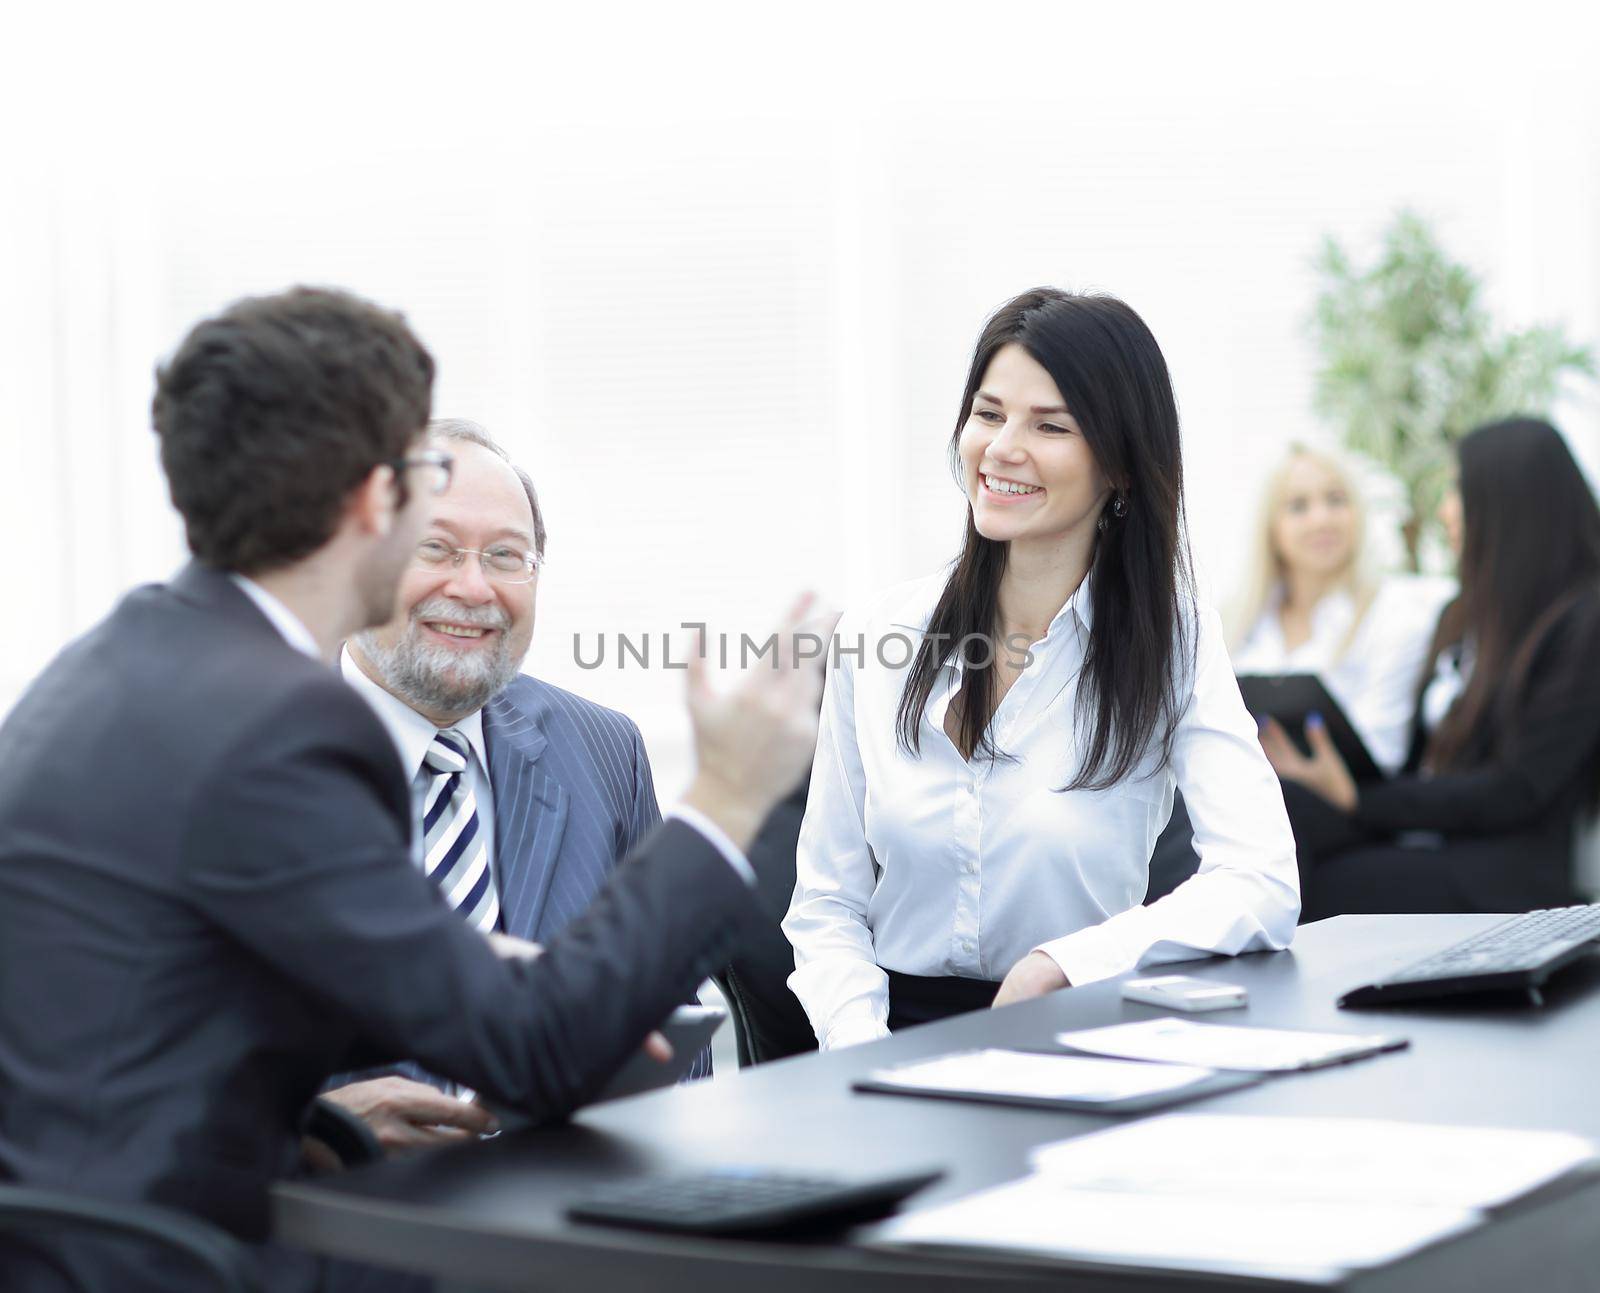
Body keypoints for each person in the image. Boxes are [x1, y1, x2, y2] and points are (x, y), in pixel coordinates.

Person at [0, 287, 821, 1293]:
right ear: (371, 498)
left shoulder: (113, 664)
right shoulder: (282, 723)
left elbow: (164, 995)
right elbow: (540, 1051)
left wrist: (396, 1044)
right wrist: (731, 794)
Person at [783, 287, 1300, 1051]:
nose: (1000, 448)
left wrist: (1065, 963)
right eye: (988, 414)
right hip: (888, 1044)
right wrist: (863, 1050)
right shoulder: (879, 634)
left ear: (1120, 467)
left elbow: (1261, 881)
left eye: (1049, 425)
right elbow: (827, 905)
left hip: (1075, 1031)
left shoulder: (1174, 639)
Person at [325, 418, 707, 1150]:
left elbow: (671, 1024)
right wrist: (317, 1130)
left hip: (567, 1219)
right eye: (433, 548)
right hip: (336, 1229)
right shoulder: (242, 755)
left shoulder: (603, 749)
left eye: (507, 556)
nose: (473, 587)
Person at [1261, 417, 1600, 919]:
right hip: (1423, 838)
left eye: (1458, 492)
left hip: (1505, 867)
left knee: (1317, 882)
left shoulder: (1584, 622)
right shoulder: (1462, 615)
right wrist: (1337, 780)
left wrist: (1360, 800)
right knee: (1278, 805)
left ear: (1509, 503)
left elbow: (1519, 790)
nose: (1445, 511)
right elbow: (1422, 764)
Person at [1230, 445, 1448, 775]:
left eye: (1336, 500)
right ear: (1271, 528)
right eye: (1298, 506)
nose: (1322, 520)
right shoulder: (1238, 624)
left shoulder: (1394, 614)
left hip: (1339, 811)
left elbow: (1383, 753)